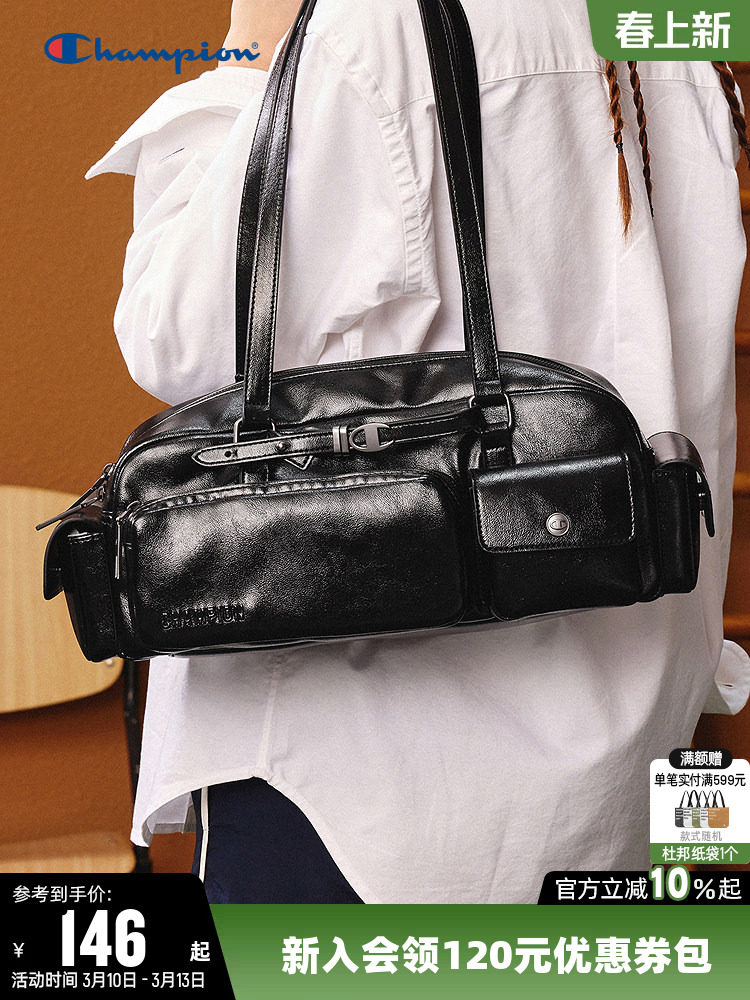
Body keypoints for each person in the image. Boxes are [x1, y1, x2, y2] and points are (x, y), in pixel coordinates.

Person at [86, 0, 750, 903]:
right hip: (619, 768)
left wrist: (249, 49)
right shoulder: (672, 39)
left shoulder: (375, 26)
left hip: (369, 787)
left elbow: (178, 338)